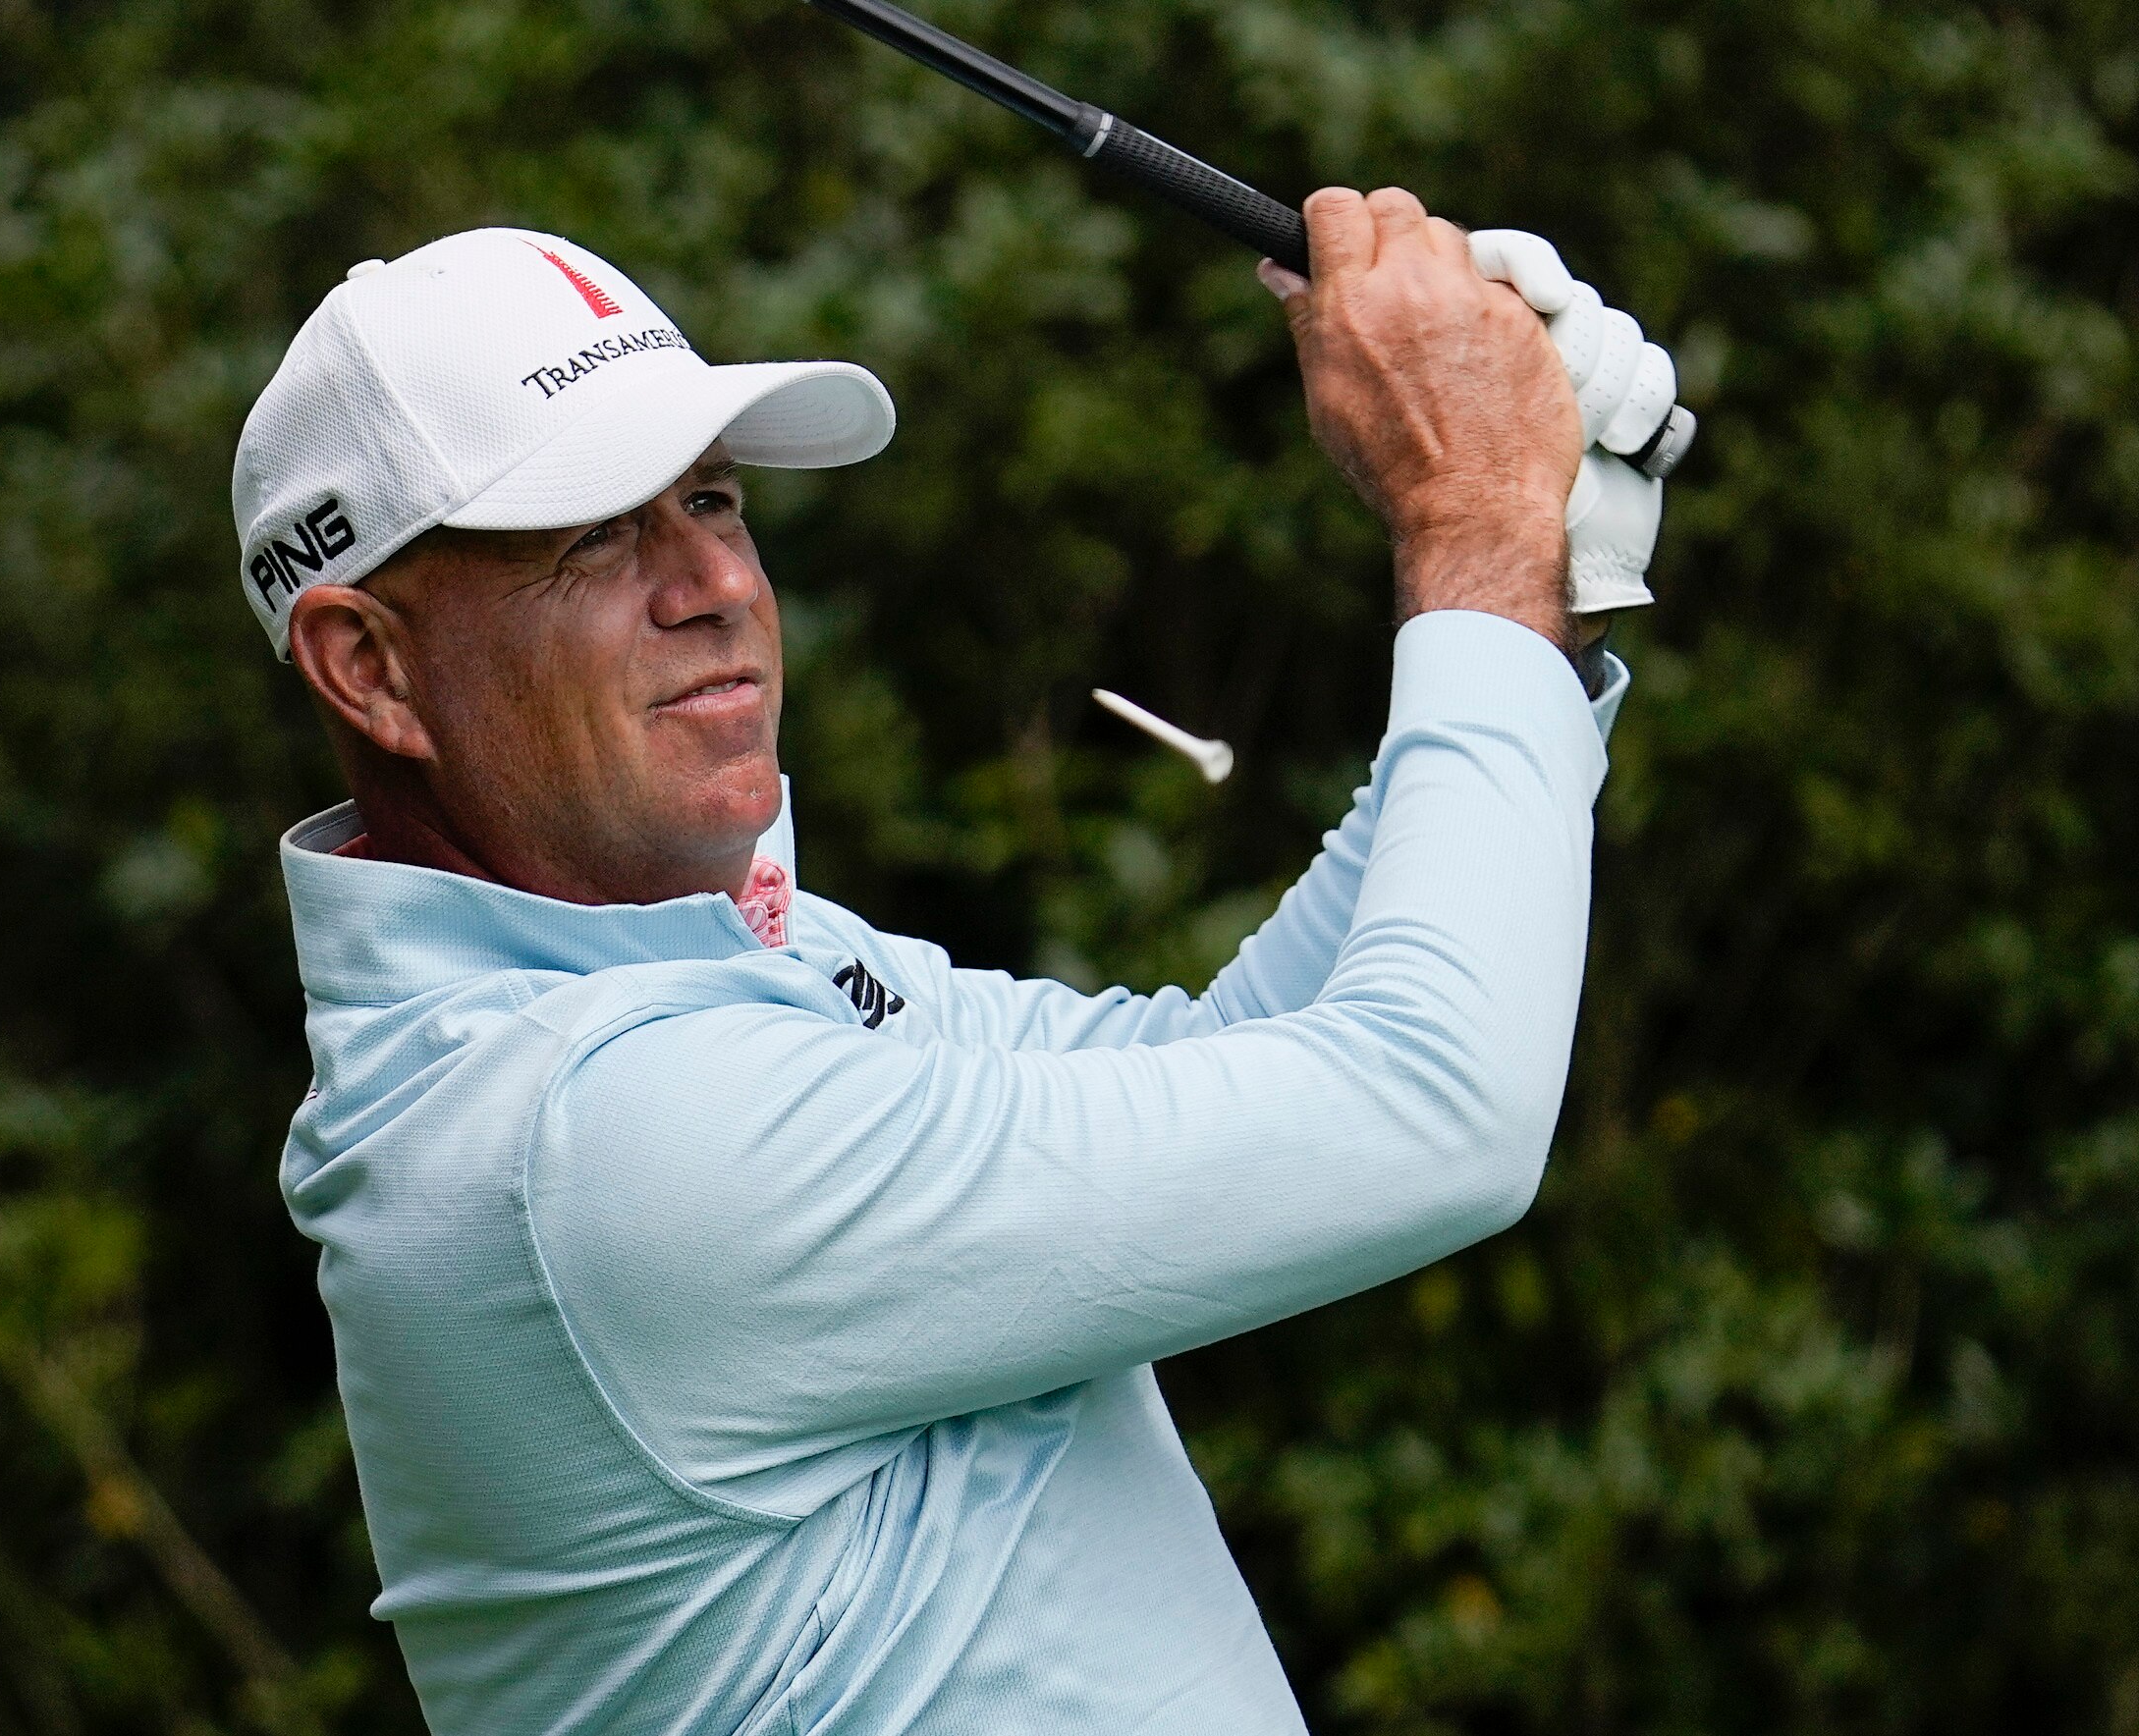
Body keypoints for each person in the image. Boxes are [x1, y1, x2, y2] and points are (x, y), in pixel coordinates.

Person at [234, 188, 1677, 1733]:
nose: (711, 583)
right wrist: (1471, 526)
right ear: (369, 666)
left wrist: (1540, 606)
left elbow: (1254, 1053)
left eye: (712, 500)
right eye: (595, 533)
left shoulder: (699, 985)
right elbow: (1424, 1106)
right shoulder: (600, 1135)